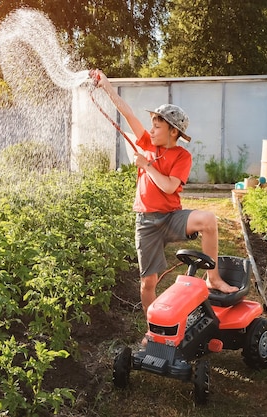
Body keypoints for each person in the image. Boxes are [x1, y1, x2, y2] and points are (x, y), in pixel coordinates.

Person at [89, 69, 238, 316]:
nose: (152, 130)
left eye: (157, 126)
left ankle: (213, 278)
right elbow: (127, 112)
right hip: (146, 221)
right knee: (149, 282)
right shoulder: (147, 143)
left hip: (170, 218)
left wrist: (146, 165)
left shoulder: (182, 156)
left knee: (208, 220)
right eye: (152, 126)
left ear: (173, 132)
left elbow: (169, 186)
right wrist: (106, 86)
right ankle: (152, 329)